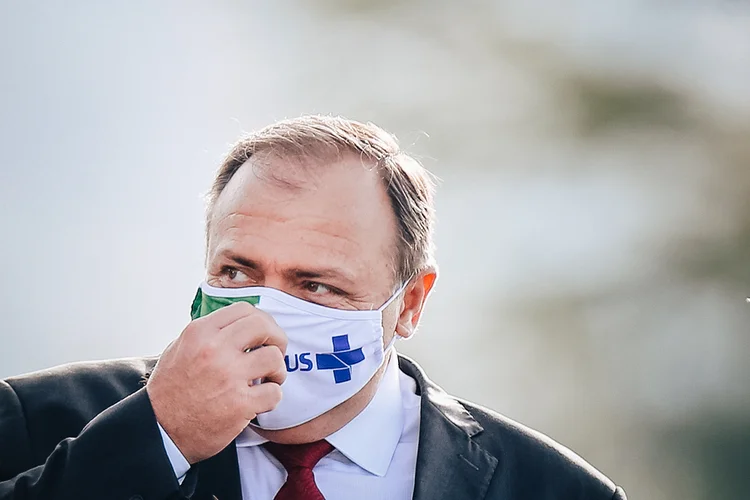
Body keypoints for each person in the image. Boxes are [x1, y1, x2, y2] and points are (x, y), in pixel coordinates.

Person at [0, 115, 627, 500]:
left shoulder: (549, 489)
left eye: (317, 286)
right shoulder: (36, 422)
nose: (268, 314)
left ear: (410, 303)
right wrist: (155, 438)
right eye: (237, 272)